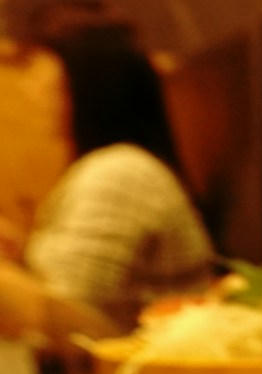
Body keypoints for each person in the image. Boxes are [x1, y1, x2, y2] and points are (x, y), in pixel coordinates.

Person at [0, 16, 213, 351]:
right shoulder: (109, 168)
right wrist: (22, 254)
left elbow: (68, 324)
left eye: (46, 74)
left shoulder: (120, 172)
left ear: (90, 85)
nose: (33, 89)